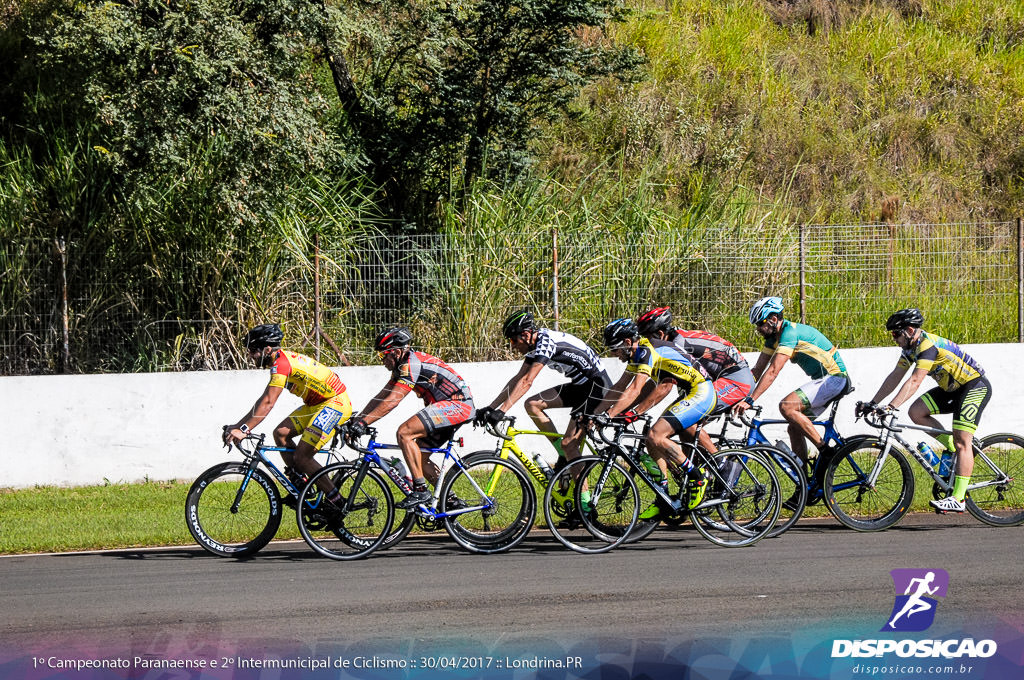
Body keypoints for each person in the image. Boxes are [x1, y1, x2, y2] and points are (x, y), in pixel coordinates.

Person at [857, 308, 991, 514]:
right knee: (917, 412)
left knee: (962, 441)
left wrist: (891, 407)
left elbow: (915, 380)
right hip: (952, 388)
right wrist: (873, 402)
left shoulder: (928, 347)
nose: (893, 338)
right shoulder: (910, 349)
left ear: (910, 330)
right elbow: (896, 375)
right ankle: (952, 450)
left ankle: (958, 498)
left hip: (973, 387)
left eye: (895, 333)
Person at [595, 318, 717, 519]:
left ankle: (697, 477)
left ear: (627, 342)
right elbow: (619, 387)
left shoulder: (645, 351)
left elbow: (635, 389)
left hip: (701, 392)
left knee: (656, 435)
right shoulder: (638, 353)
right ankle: (663, 497)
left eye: (615, 349)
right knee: (650, 440)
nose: (613, 355)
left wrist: (611, 414)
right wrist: (598, 413)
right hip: (690, 392)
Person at [223, 323, 352, 506]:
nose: (250, 355)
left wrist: (244, 430)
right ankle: (302, 487)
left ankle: (337, 502)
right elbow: (262, 402)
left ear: (267, 349)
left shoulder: (281, 364)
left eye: (253, 351)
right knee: (281, 434)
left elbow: (268, 403)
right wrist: (238, 426)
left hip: (335, 403)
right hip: (316, 404)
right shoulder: (279, 362)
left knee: (302, 456)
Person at [347, 327, 476, 509]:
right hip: (449, 407)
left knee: (404, 433)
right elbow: (381, 397)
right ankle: (451, 501)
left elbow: (393, 400)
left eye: (383, 355)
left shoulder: (410, 365)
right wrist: (357, 420)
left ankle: (421, 490)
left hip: (458, 404)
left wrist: (363, 423)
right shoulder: (402, 367)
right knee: (418, 459)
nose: (382, 360)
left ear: (397, 352)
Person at [731, 297, 851, 480]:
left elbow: (772, 371)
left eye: (760, 324)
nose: (758, 329)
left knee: (787, 406)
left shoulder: (789, 333)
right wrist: (736, 393)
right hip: (824, 380)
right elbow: (757, 371)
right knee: (794, 428)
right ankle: (803, 485)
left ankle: (825, 451)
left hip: (835, 378)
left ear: (773, 319)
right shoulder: (773, 340)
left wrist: (751, 400)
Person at [475, 310, 612, 469]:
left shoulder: (546, 343)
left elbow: (527, 381)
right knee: (532, 404)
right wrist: (491, 407)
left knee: (570, 445)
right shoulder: (535, 344)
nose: (512, 346)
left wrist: (502, 411)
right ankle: (562, 454)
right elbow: (518, 378)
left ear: (526, 335)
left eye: (513, 340)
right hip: (582, 386)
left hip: (597, 389)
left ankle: (583, 489)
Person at [637, 306, 754, 455]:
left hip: (736, 379)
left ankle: (722, 466)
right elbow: (652, 383)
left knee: (687, 421)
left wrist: (636, 411)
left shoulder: (677, 345)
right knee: (682, 423)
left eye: (647, 338)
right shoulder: (672, 340)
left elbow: (664, 385)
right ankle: (695, 474)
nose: (644, 344)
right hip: (719, 379)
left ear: (660, 334)